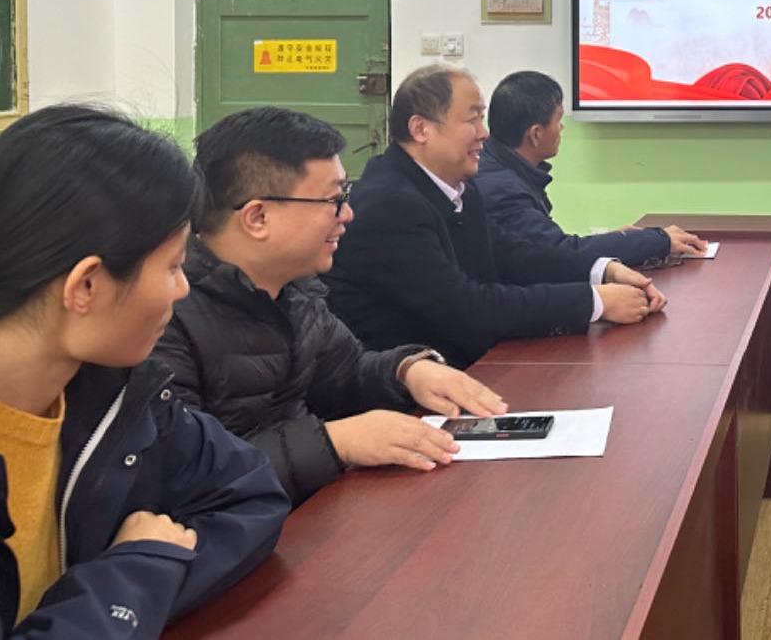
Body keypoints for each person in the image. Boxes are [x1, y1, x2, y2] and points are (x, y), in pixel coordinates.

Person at [0, 105, 288, 637]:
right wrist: (134, 576)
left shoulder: (113, 393)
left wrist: (135, 588)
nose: (183, 288)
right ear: (86, 286)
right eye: (172, 266)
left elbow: (250, 491)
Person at [154, 107, 510, 507]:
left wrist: (406, 371)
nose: (347, 215)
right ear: (258, 217)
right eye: (333, 200)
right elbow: (184, 472)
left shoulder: (294, 291)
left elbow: (345, 375)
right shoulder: (165, 315)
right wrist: (336, 442)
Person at [324, 65, 667, 367]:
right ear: (421, 129)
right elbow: (468, 309)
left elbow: (514, 254)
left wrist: (603, 269)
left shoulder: (458, 187)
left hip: (468, 366)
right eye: (472, 119)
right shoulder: (388, 204)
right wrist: (593, 302)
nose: (484, 133)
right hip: (409, 391)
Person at [472, 70, 706, 265]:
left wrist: (621, 239)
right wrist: (657, 241)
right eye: (558, 120)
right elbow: (558, 254)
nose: (562, 128)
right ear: (536, 134)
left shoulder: (500, 166)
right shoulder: (502, 189)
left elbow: (552, 247)